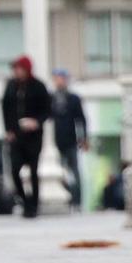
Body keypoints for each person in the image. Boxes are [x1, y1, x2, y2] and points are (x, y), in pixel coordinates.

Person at [1, 55, 50, 219]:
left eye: (19, 69)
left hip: (33, 136)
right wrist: (8, 130)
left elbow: (47, 110)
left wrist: (36, 122)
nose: (17, 72)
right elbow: (5, 108)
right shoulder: (10, 86)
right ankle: (24, 200)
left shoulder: (38, 86)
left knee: (33, 171)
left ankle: (34, 205)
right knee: (15, 170)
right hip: (16, 136)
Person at [50, 69, 88, 210]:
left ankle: (77, 202)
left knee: (74, 172)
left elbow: (81, 120)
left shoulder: (73, 99)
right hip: (56, 142)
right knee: (59, 173)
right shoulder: (51, 98)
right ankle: (65, 199)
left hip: (71, 141)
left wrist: (83, 138)